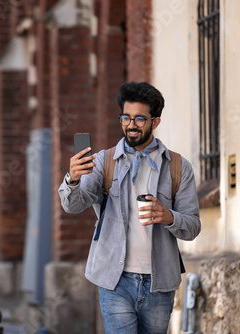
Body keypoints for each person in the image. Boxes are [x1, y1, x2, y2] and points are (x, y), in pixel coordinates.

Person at [58, 82, 201, 333]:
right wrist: (73, 179)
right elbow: (73, 205)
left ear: (155, 122)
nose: (131, 125)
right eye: (125, 117)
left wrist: (168, 217)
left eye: (139, 119)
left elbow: (192, 228)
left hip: (160, 284)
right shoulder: (104, 162)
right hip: (115, 281)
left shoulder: (178, 167)